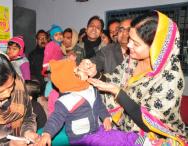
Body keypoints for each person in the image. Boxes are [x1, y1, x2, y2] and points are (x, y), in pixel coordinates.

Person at [80, 11, 188, 145]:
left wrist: (118, 93)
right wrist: (95, 73)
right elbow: (114, 79)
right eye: (130, 39)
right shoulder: (133, 60)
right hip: (126, 126)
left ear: (156, 47)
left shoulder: (171, 76)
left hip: (156, 137)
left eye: (136, 43)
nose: (129, 45)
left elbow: (149, 124)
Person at [38, 59, 139, 146]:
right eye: (78, 70)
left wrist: (106, 118)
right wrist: (47, 133)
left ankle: (139, 140)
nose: (82, 69)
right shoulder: (66, 100)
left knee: (117, 135)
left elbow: (100, 106)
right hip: (81, 138)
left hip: (96, 129)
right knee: (110, 143)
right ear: (70, 79)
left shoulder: (90, 89)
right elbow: (56, 118)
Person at [28, 29, 49, 95]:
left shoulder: (53, 52)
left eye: (44, 38)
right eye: (40, 38)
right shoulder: (32, 54)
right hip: (39, 86)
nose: (43, 40)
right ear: (36, 40)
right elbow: (31, 72)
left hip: (51, 84)